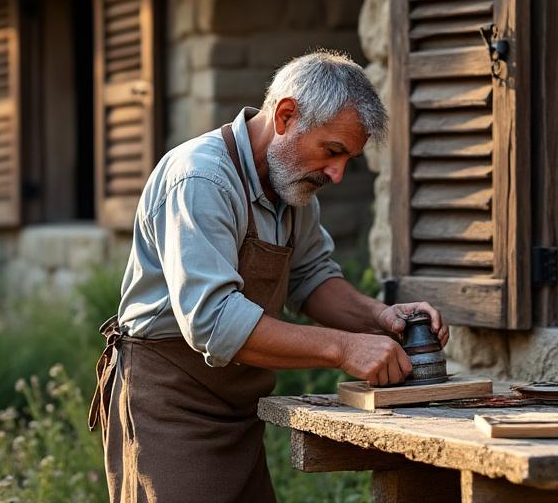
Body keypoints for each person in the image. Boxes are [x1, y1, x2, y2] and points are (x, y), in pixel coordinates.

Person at [89, 50, 448, 503]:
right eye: (332, 151)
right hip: (168, 404)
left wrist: (380, 318)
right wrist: (344, 348)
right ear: (285, 116)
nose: (337, 174)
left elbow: (311, 278)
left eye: (348, 159)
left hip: (238, 408)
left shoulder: (292, 186)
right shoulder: (201, 179)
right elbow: (214, 322)